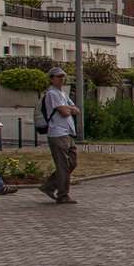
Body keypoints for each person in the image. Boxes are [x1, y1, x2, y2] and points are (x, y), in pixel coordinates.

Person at [38, 66, 81, 203]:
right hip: (57, 133)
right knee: (63, 164)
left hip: (67, 133)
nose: (62, 79)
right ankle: (63, 194)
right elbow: (64, 112)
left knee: (72, 163)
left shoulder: (63, 93)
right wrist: (68, 109)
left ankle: (49, 186)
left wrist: (68, 108)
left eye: (63, 76)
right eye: (58, 76)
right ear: (51, 79)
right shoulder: (52, 94)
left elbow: (76, 110)